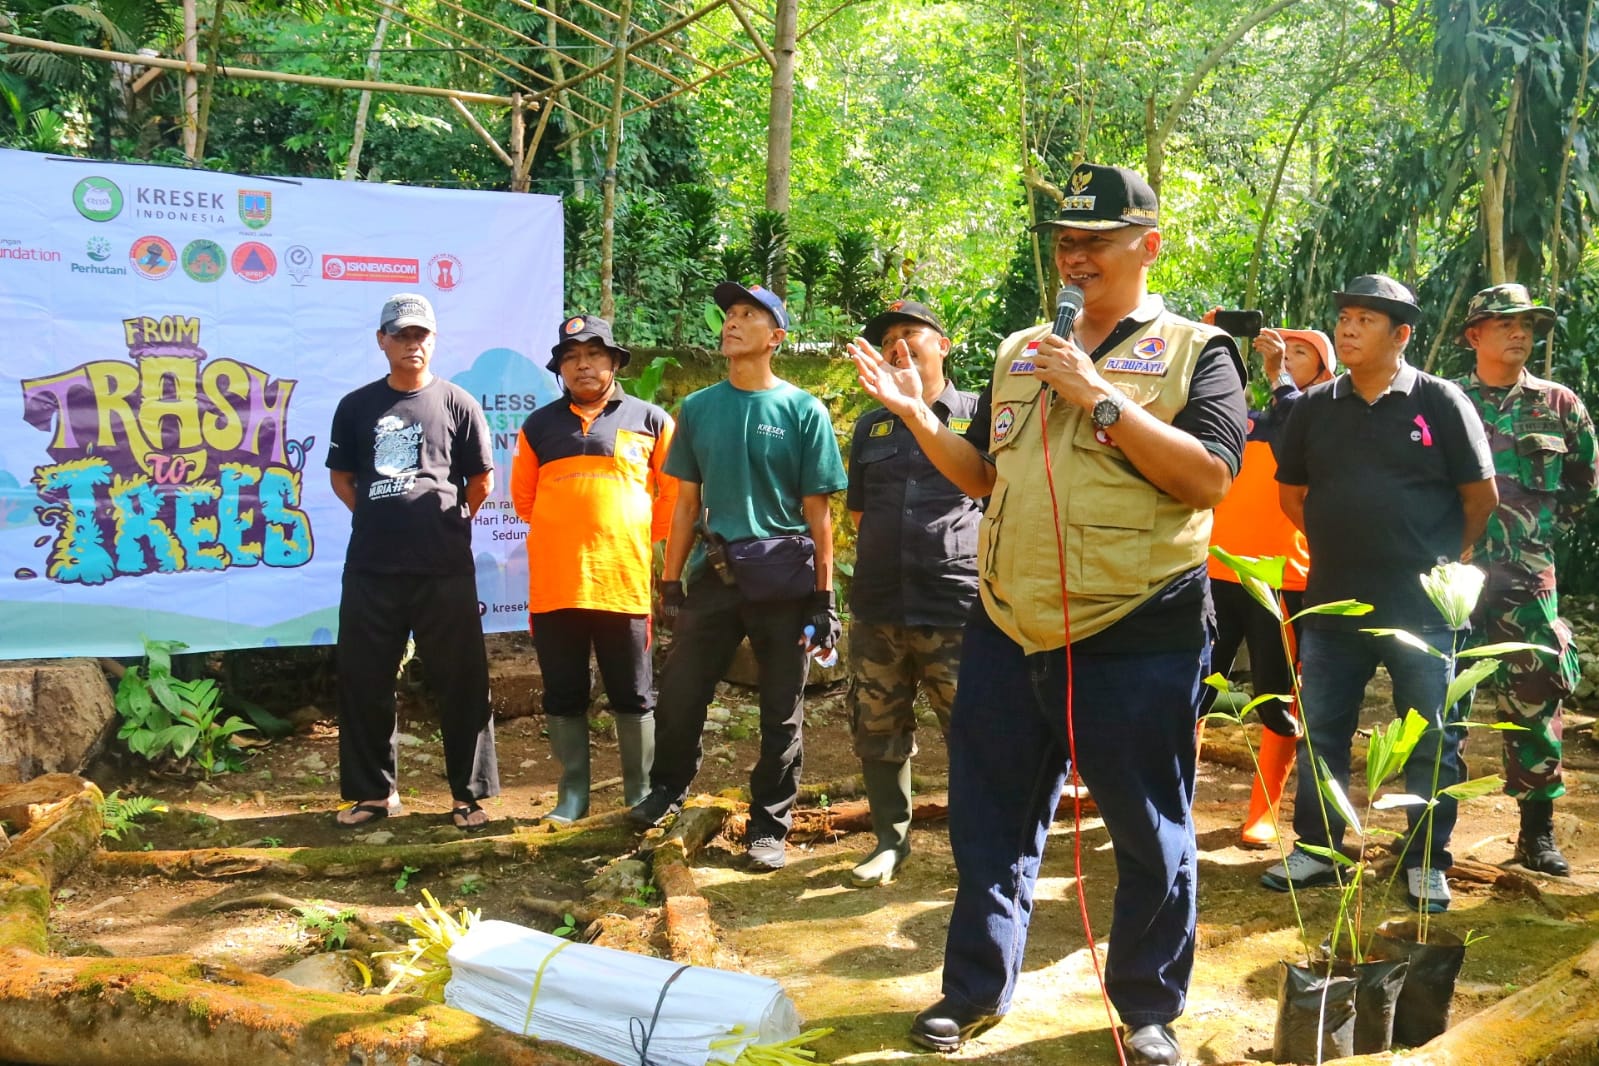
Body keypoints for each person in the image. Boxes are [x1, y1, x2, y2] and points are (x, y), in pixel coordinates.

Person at [852, 163, 1247, 1066]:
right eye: (1064, 243)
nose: (1074, 259)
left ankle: (1146, 1009)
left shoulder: (1197, 352)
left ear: (1146, 247)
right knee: (989, 820)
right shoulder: (1019, 349)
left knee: (1148, 829)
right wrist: (916, 415)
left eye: (1094, 243)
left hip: (1135, 624)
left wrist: (1100, 399)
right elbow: (986, 479)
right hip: (1006, 618)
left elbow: (1208, 480)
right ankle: (973, 991)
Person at [1265, 274, 1497, 912]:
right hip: (1334, 600)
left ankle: (1425, 858)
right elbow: (1292, 495)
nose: (1348, 327)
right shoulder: (1315, 407)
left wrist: (1441, 559)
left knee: (1432, 735)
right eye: (1345, 316)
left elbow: (1481, 498)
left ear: (1401, 335)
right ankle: (1319, 848)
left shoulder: (1441, 402)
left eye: (1366, 319)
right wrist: (1344, 543)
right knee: (1324, 731)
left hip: (1423, 609)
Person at [627, 282, 848, 873]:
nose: (731, 323)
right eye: (728, 314)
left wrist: (824, 598)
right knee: (679, 693)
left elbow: (819, 513)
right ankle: (668, 789)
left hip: (785, 581)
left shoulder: (804, 410)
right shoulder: (698, 409)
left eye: (748, 315)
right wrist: (670, 582)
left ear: (776, 337)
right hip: (716, 574)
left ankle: (769, 825)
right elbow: (684, 504)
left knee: (781, 707)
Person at [326, 292, 500, 831]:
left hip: (444, 567)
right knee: (364, 678)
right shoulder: (356, 406)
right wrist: (383, 519)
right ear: (382, 340)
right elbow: (342, 478)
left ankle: (469, 796)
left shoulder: (458, 403)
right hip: (372, 568)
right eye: (401, 335)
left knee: (461, 680)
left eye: (420, 335)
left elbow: (481, 482)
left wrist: (441, 525)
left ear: (434, 339)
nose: (412, 344)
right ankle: (373, 794)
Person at [1454, 283, 1598, 876]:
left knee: (1537, 706)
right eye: (1506, 323)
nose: (1521, 334)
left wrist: (1527, 537)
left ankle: (1535, 837)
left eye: (1529, 326)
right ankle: (1426, 835)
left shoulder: (1558, 404)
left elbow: (1583, 484)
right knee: (1440, 700)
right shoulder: (1443, 400)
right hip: (1452, 577)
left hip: (1527, 580)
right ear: (1475, 335)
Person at [510, 314, 678, 824]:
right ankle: (572, 797)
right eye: (571, 357)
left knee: (633, 692)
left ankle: (639, 795)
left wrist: (622, 540)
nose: (582, 365)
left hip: (621, 584)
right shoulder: (538, 426)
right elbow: (523, 500)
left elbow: (671, 499)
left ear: (614, 361)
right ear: (560, 368)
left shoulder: (652, 420)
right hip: (556, 586)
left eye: (594, 355)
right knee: (563, 693)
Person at [845, 299, 980, 887]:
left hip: (956, 604)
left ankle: (981, 845)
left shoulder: (979, 414)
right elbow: (856, 513)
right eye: (888, 336)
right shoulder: (869, 425)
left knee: (974, 731)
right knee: (877, 728)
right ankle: (889, 842)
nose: (898, 343)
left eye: (911, 332)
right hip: (878, 606)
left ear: (942, 344)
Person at [1201, 319, 1336, 848]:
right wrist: (1211, 341)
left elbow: (1295, 420)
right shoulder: (1251, 418)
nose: (1284, 354)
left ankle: (1264, 808)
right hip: (1213, 571)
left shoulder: (1321, 417)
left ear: (1324, 371)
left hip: (1282, 578)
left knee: (1276, 696)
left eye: (1300, 351)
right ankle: (1174, 796)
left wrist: (1279, 377)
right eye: (1280, 348)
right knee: (1191, 691)